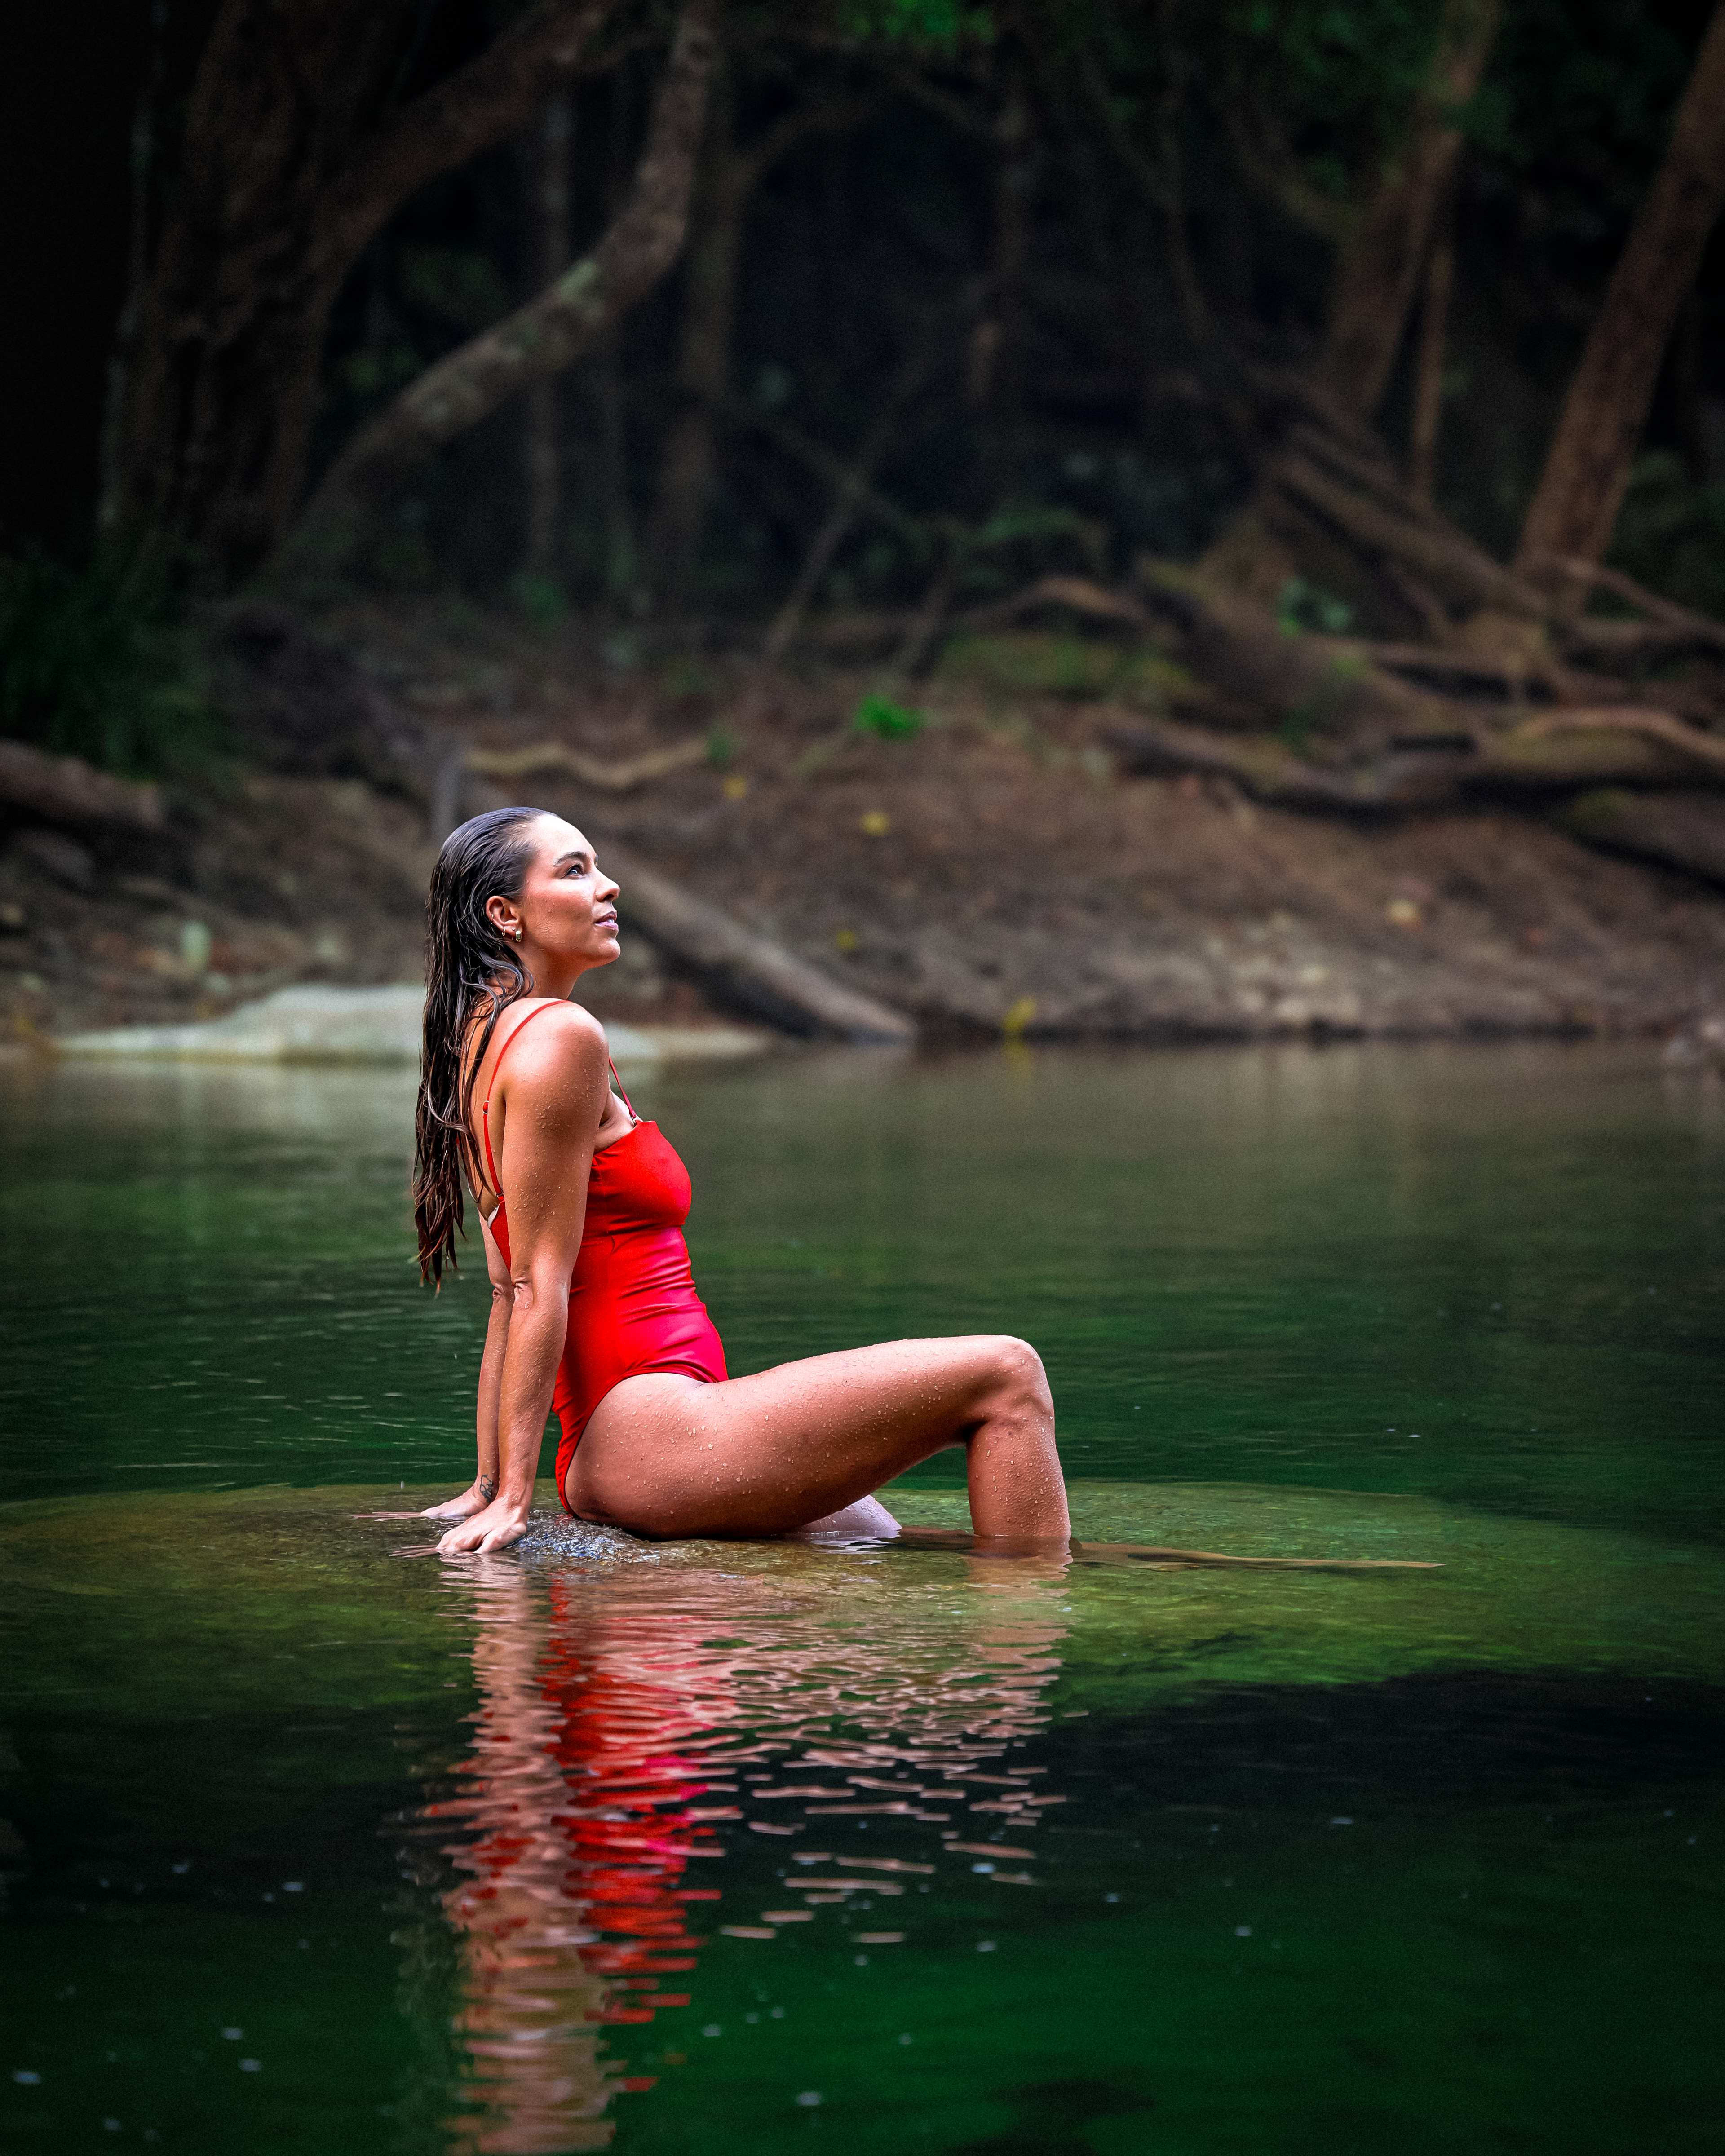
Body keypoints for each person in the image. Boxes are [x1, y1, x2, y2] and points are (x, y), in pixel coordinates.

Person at [412, 805, 1071, 1556]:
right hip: (652, 1434)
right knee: (1008, 1376)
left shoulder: (484, 1040)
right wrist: (514, 1504)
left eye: (597, 866)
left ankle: (1077, 1598)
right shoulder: (561, 1037)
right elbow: (533, 1283)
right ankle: (1035, 1637)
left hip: (647, 1431)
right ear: (505, 915)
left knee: (881, 1540)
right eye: (574, 871)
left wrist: (491, 1483)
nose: (609, 887)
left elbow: (506, 1288)